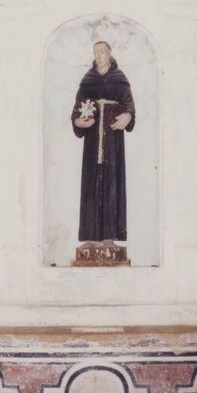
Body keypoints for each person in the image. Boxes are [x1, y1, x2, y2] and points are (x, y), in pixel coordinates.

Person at [72, 41, 135, 243]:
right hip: (91, 143)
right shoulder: (88, 79)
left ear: (109, 53)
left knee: (112, 185)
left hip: (113, 142)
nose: (98, 56)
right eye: (95, 52)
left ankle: (110, 237)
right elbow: (76, 109)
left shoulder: (120, 79)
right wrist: (77, 120)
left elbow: (129, 106)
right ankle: (90, 238)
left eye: (102, 52)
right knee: (91, 185)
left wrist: (127, 117)